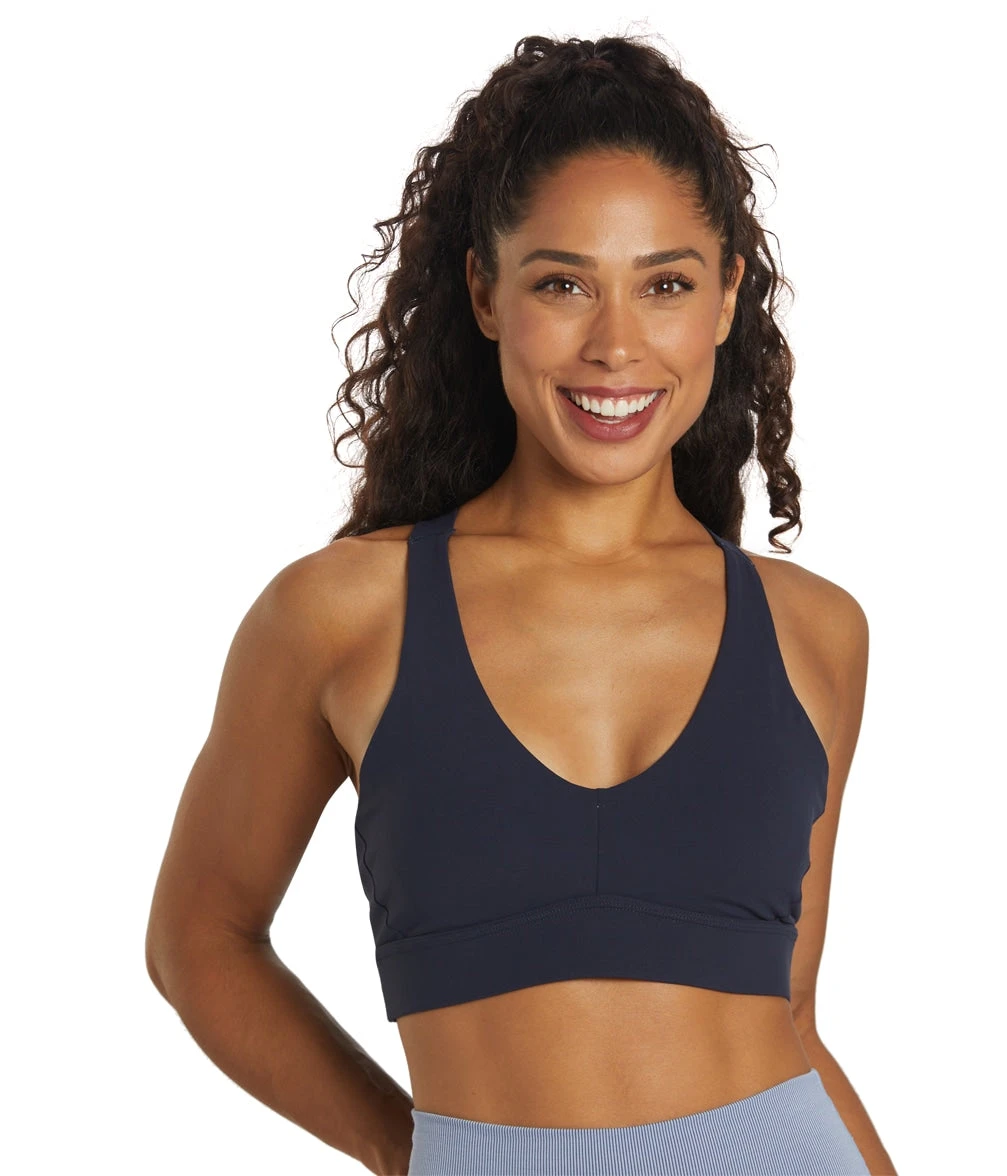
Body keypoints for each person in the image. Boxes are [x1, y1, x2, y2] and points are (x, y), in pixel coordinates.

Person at [145, 32, 896, 1176]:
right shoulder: (340, 615)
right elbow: (200, 942)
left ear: (726, 298)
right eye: (562, 284)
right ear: (485, 294)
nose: (616, 344)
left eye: (665, 284)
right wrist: (415, 1152)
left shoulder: (814, 631)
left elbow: (790, 1015)